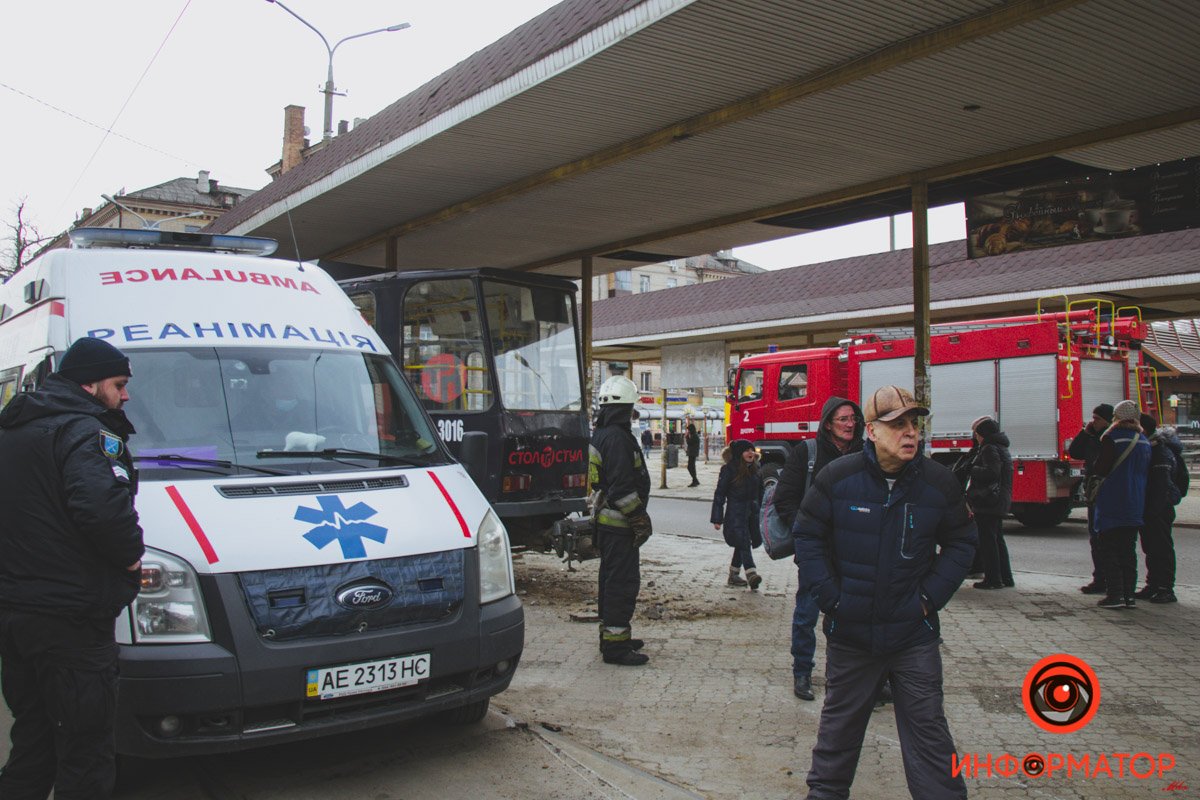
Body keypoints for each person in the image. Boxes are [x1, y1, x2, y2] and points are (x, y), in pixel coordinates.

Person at [794, 385, 976, 800]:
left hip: (913, 635)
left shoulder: (938, 483)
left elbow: (963, 541)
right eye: (897, 425)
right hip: (852, 635)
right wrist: (832, 599)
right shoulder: (838, 479)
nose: (910, 432)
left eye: (914, 423)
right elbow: (807, 535)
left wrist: (928, 599)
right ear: (872, 431)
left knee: (929, 734)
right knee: (838, 734)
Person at [0, 337, 145, 799]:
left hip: (17, 615)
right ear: (89, 383)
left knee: (33, 737)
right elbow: (102, 507)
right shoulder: (84, 431)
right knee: (86, 748)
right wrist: (131, 557)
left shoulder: (14, 429)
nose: (125, 395)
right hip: (71, 620)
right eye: (118, 384)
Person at [774, 398, 864, 701]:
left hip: (855, 551)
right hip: (817, 551)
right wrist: (806, 532)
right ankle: (802, 672)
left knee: (854, 616)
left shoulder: (866, 453)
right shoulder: (807, 452)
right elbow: (784, 498)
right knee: (806, 614)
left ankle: (853, 676)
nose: (850, 424)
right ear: (828, 424)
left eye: (853, 418)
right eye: (843, 419)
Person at [590, 375, 653, 666]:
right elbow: (622, 488)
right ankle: (616, 647)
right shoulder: (617, 438)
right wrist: (639, 519)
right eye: (631, 408)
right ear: (624, 409)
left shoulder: (602, 434)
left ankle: (612, 637)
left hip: (608, 525)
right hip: (619, 527)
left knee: (610, 581)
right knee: (621, 584)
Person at [1091, 400, 1151, 610]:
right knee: (1128, 551)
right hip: (1135, 502)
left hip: (1113, 500)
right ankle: (1129, 596)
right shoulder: (1143, 440)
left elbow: (1101, 468)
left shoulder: (1112, 438)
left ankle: (1114, 594)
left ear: (1116, 417)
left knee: (1109, 549)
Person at [1134, 414, 1180, 604]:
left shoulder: (1159, 451)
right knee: (1151, 547)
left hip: (1159, 507)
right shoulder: (1150, 447)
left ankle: (1165, 588)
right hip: (1151, 505)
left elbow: (1162, 483)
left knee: (1161, 547)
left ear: (1143, 429)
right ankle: (1153, 584)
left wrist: (1154, 509)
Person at [1069, 403, 1114, 595]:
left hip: (1105, 494)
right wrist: (1084, 433)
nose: (1093, 421)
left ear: (1108, 421)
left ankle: (1109, 580)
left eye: (1097, 419)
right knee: (1095, 539)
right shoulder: (1093, 437)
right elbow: (1075, 452)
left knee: (1105, 540)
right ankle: (1100, 578)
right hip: (1093, 494)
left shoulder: (1109, 439)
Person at [965, 416, 1014, 590]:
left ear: (983, 434)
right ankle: (1006, 577)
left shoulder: (989, 448)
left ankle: (993, 579)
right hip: (999, 499)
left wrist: (972, 468)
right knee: (997, 539)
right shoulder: (1001, 447)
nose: (976, 438)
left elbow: (992, 472)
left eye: (977, 435)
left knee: (988, 542)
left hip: (988, 501)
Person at [711, 439, 763, 590]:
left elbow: (761, 492)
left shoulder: (756, 469)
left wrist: (762, 509)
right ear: (739, 453)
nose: (750, 453)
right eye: (746, 450)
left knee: (743, 542)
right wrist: (717, 518)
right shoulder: (729, 470)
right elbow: (720, 494)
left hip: (752, 513)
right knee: (744, 541)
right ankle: (751, 573)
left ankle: (733, 575)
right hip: (736, 514)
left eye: (751, 450)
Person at [685, 422, 701, 487]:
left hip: (692, 453)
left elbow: (689, 443)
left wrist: (686, 437)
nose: (688, 431)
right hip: (692, 453)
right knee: (691, 467)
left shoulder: (694, 436)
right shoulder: (694, 435)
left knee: (690, 467)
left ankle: (695, 481)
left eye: (689, 430)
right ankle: (695, 480)